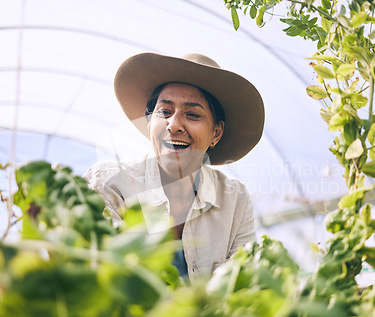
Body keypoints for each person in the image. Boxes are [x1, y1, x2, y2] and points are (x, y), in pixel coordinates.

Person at [85, 52, 264, 281]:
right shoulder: (111, 182)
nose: (174, 125)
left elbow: (237, 284)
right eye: (164, 112)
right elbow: (104, 275)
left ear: (216, 134)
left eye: (192, 114)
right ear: (150, 122)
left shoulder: (234, 199)